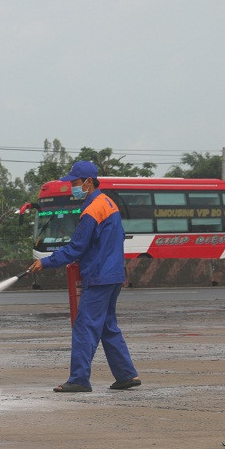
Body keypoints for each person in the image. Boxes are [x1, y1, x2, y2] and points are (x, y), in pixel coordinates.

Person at [28, 160, 141, 393]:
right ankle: (126, 375)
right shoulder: (108, 203)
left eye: (76, 182)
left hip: (99, 277)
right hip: (113, 274)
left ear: (88, 182)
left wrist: (45, 262)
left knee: (84, 326)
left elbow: (76, 248)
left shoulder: (92, 211)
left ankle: (79, 379)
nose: (72, 187)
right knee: (107, 326)